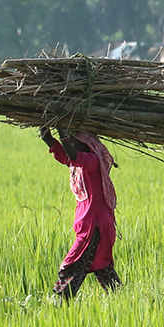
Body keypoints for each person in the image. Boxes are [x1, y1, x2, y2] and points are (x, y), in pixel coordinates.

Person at [39, 126, 122, 299]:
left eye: (76, 141)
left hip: (95, 226)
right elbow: (58, 148)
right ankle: (122, 299)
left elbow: (72, 153)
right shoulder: (76, 163)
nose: (72, 143)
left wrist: (62, 128)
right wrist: (45, 127)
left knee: (74, 265)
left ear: (87, 145)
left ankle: (62, 301)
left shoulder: (92, 161)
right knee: (102, 267)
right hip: (89, 224)